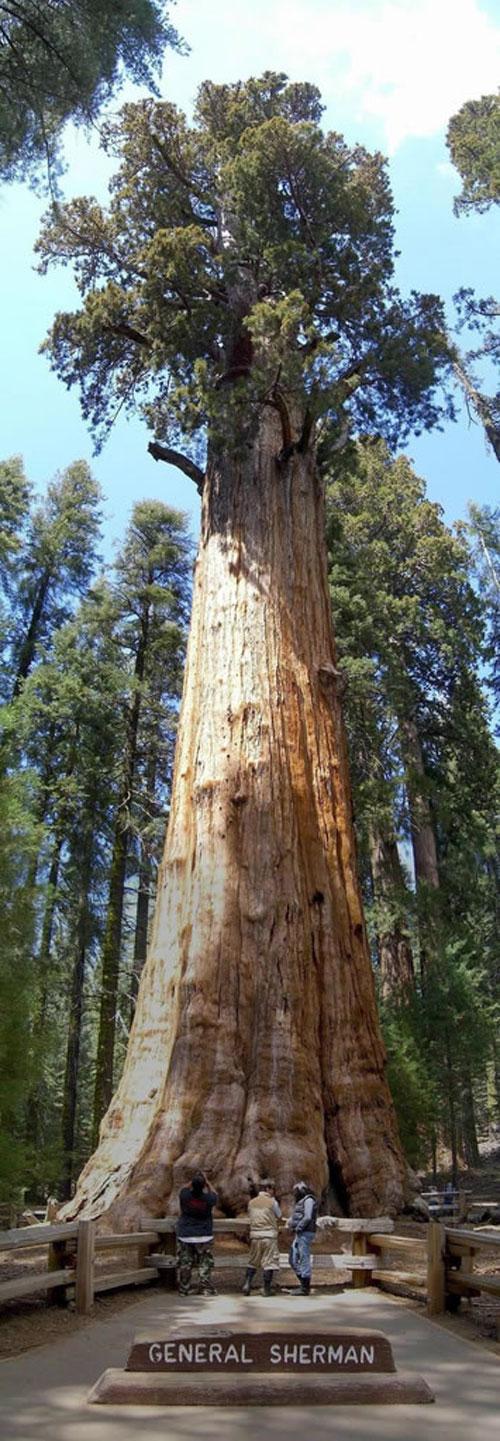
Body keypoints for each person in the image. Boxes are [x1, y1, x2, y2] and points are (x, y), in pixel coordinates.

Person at [176, 1169, 218, 1296]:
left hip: (186, 1235)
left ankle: (184, 1289)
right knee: (205, 1263)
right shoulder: (208, 1199)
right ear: (203, 1186)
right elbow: (215, 1193)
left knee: (185, 1263)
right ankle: (205, 1288)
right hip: (204, 1235)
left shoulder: (185, 1196)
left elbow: (183, 1189)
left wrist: (193, 1181)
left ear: (192, 1185)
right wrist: (207, 1182)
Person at [242, 1178, 281, 1297]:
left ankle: (247, 1284)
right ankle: (266, 1289)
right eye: (272, 1189)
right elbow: (279, 1215)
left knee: (253, 1261)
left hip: (255, 1235)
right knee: (269, 1262)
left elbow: (251, 1215)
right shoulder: (272, 1202)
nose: (273, 1191)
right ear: (268, 1189)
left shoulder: (252, 1202)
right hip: (269, 1235)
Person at [287, 1180, 318, 1295]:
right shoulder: (302, 1201)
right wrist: (291, 1223)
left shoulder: (309, 1200)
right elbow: (298, 1215)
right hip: (300, 1233)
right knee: (293, 1258)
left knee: (304, 1258)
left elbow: (307, 1217)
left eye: (296, 1191)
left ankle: (305, 1288)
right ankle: (303, 1283)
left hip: (305, 1232)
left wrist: (298, 1227)